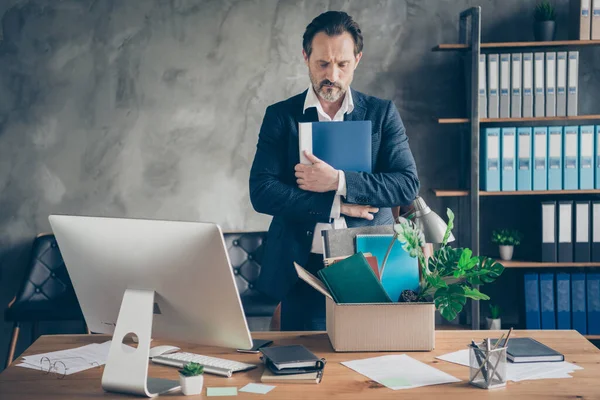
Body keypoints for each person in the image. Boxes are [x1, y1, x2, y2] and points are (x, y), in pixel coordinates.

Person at [249, 11, 419, 331]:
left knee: (370, 360)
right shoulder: (280, 116)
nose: (333, 75)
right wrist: (336, 204)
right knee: (303, 364)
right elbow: (261, 191)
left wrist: (339, 181)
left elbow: (407, 185)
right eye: (323, 64)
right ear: (306, 57)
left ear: (357, 60)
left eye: (342, 64)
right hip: (303, 269)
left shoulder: (382, 114)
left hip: (371, 262)